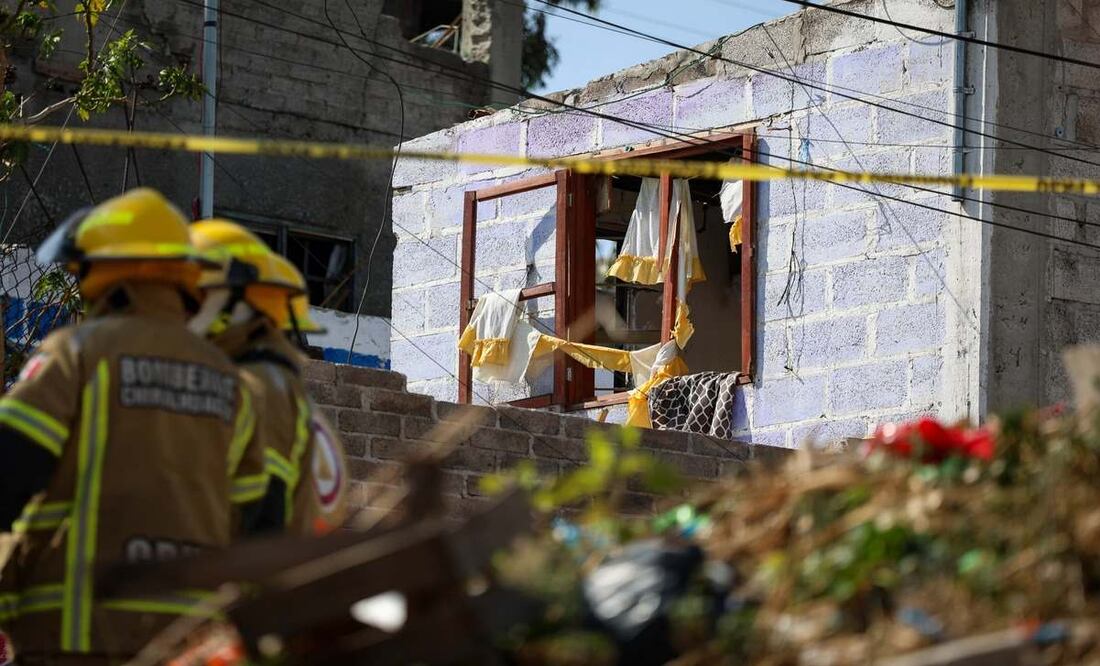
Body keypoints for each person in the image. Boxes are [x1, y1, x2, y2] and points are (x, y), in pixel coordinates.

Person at [0, 188, 275, 664]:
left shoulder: (78, 354)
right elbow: (263, 523)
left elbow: (9, 468)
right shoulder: (234, 384)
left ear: (108, 272)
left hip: (75, 633)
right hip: (189, 645)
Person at [189, 220, 348, 536]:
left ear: (232, 303)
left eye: (192, 296)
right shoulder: (274, 382)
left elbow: (264, 517)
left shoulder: (259, 387)